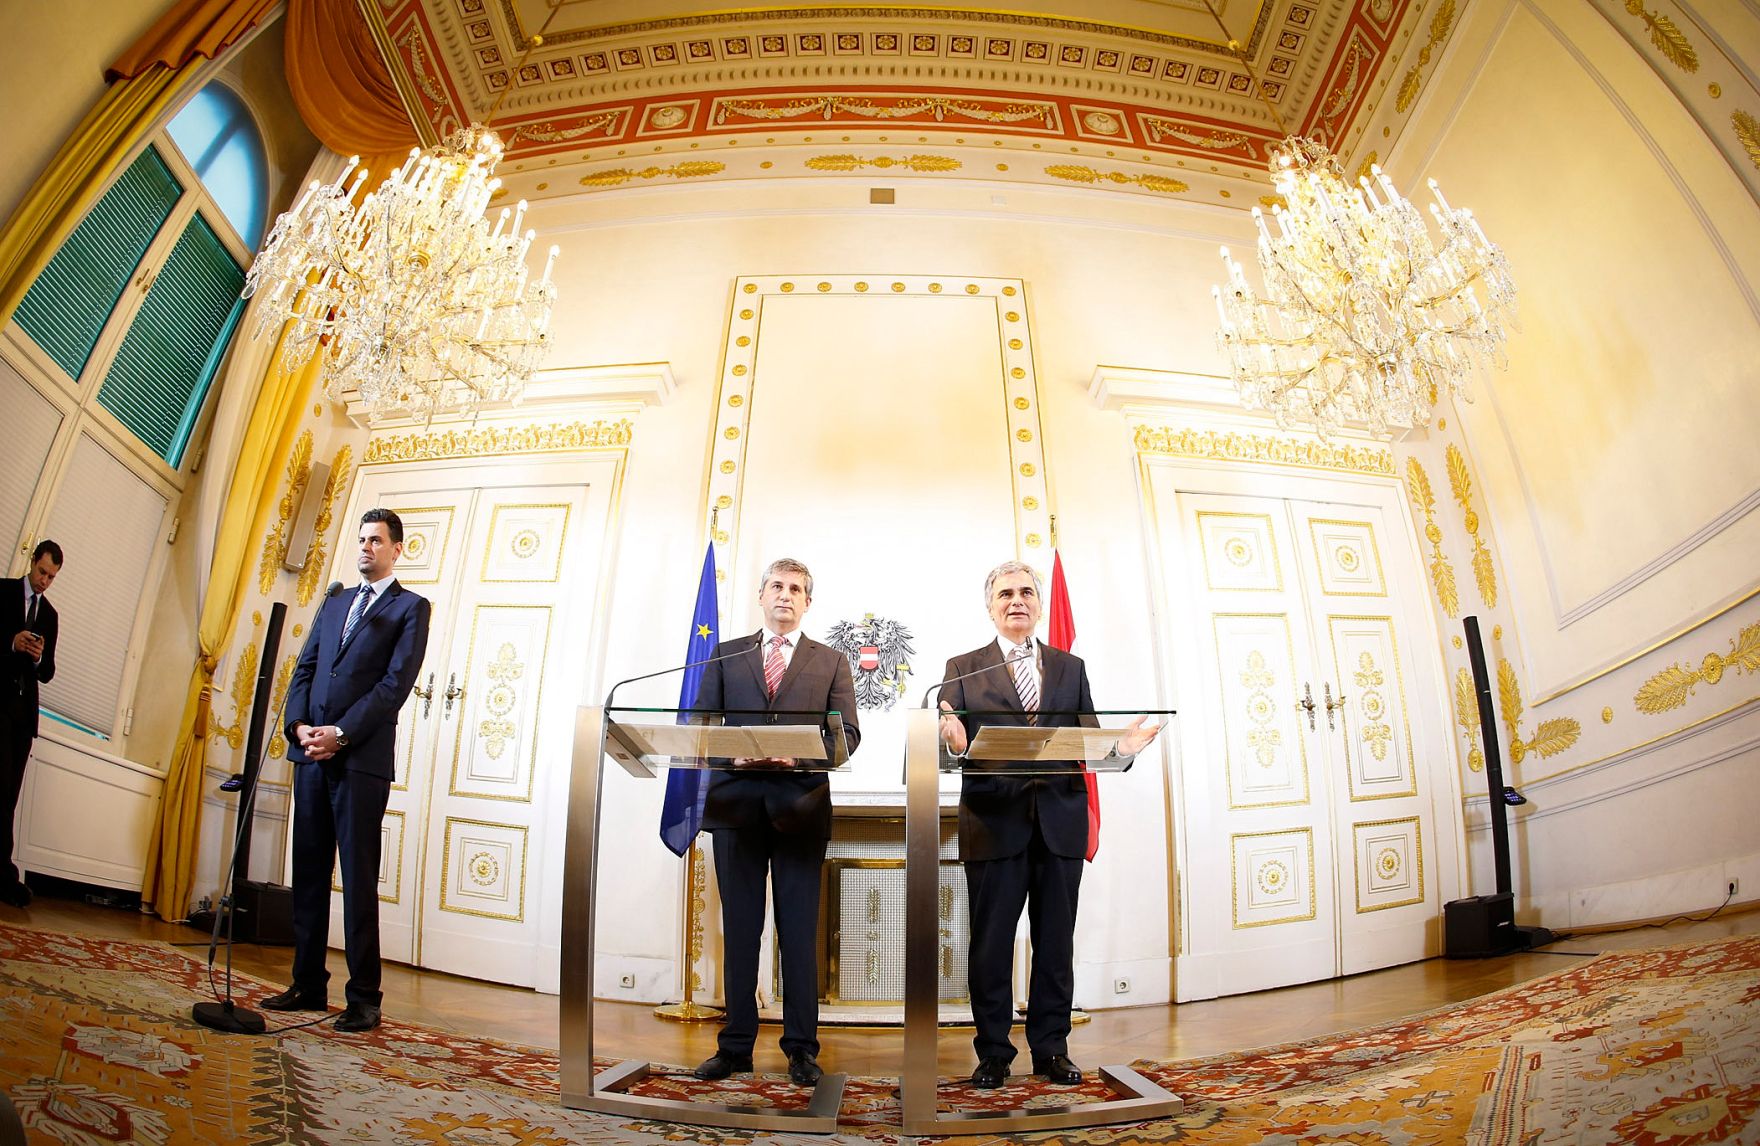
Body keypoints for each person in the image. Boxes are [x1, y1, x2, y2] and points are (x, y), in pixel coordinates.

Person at [938, 559, 1158, 1089]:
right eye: (1006, 594)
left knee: (1055, 942)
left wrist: (1120, 747)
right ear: (990, 607)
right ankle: (992, 1052)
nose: (1017, 601)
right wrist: (951, 740)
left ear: (1039, 604)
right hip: (993, 823)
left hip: (1059, 822)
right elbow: (950, 744)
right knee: (990, 945)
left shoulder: (1070, 667)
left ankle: (1051, 1050)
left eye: (1027, 593)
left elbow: (1090, 737)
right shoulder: (962, 668)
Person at [692, 557, 861, 1087]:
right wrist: (729, 758)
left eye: (796, 589)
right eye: (776, 586)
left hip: (800, 809)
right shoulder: (726, 653)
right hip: (735, 807)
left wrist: (803, 759)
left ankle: (801, 1050)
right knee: (740, 932)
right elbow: (699, 724)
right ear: (760, 596)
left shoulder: (831, 661)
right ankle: (736, 1046)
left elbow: (848, 735)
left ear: (808, 602)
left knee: (796, 935)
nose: (785, 595)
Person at [263, 509, 431, 1032]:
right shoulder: (335, 600)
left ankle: (364, 998)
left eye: (376, 540)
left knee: (357, 878)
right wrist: (298, 727)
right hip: (310, 755)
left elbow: (393, 686)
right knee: (308, 872)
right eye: (361, 539)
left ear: (396, 549)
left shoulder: (411, 608)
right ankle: (308, 983)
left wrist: (341, 733)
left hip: (359, 761)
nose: (365, 548)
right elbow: (306, 668)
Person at [0, 541, 61, 909]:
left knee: (9, 795)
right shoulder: (3, 591)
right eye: (42, 572)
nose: (44, 582)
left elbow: (50, 672)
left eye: (52, 577)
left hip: (24, 715)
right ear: (32, 561)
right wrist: (11, 642)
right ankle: (4, 873)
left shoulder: (50, 616)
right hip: (0, 705)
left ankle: (3, 874)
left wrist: (38, 659)